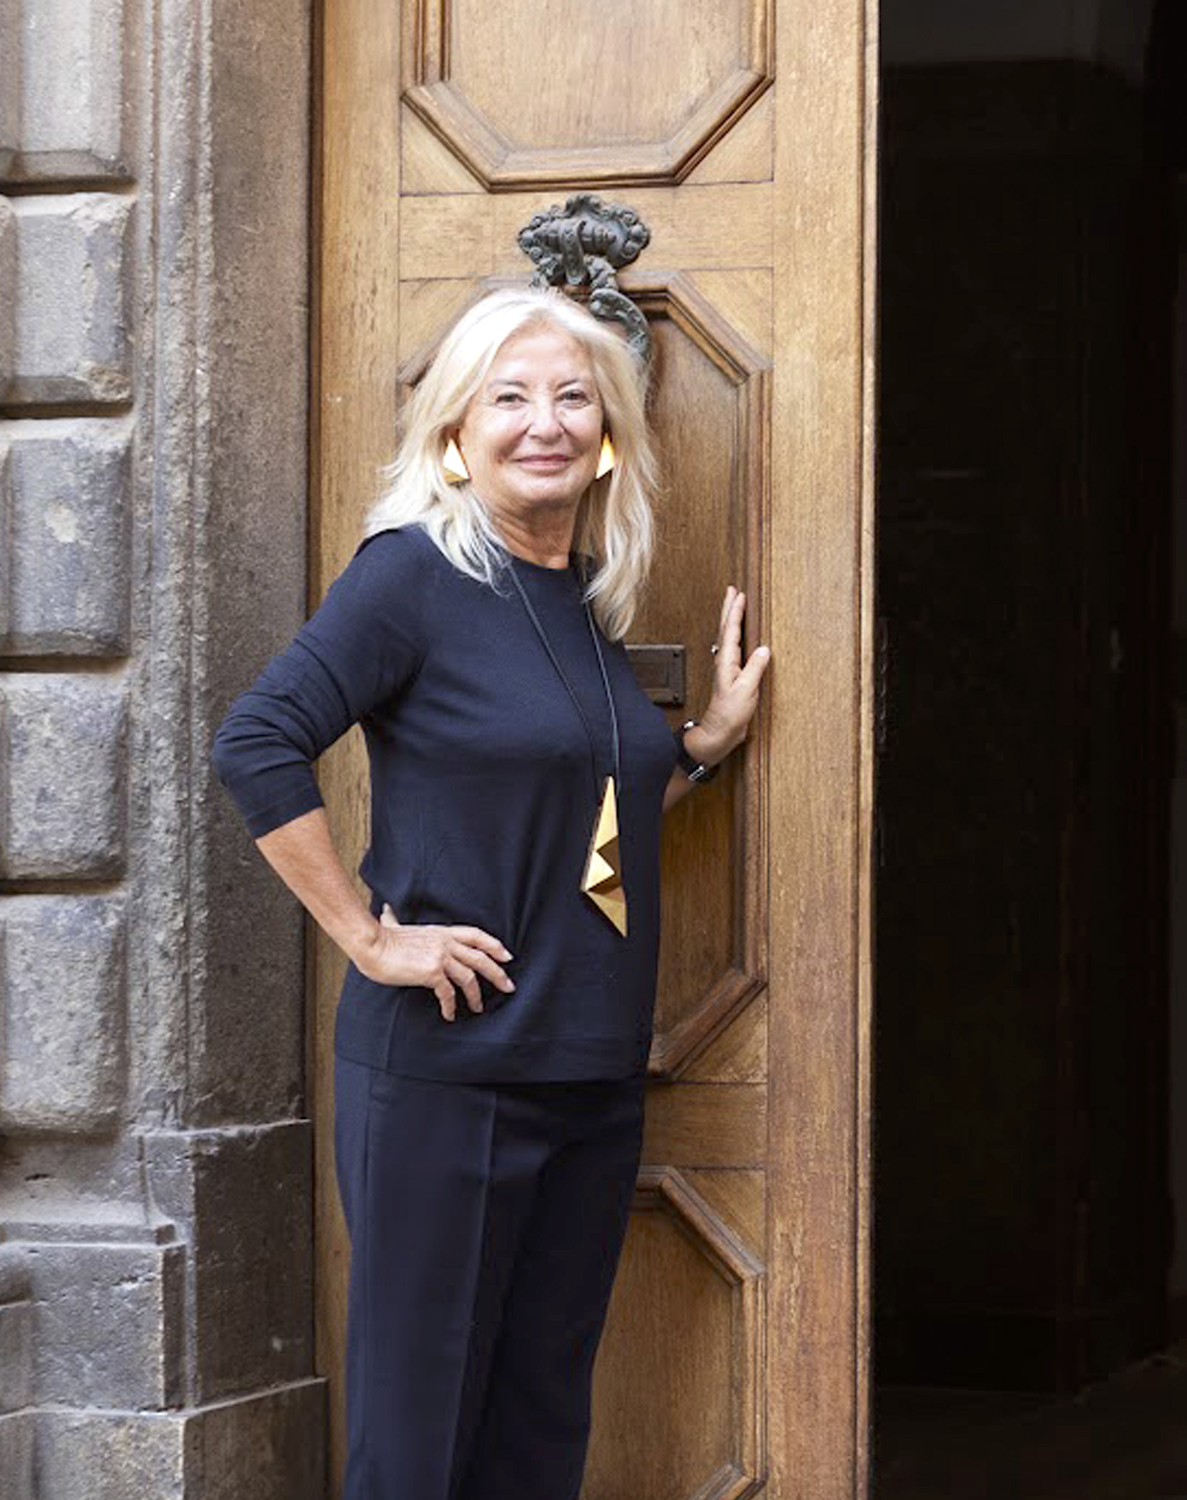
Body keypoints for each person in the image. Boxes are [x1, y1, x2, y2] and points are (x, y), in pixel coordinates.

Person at [211, 287, 770, 1499]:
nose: (544, 422)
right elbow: (256, 742)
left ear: (608, 432)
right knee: (419, 1448)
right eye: (508, 397)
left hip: (586, 1073)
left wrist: (698, 751)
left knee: (535, 1433)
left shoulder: (579, 598)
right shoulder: (410, 576)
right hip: (449, 1078)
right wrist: (370, 939)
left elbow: (585, 824)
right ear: (456, 431)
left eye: (573, 396)